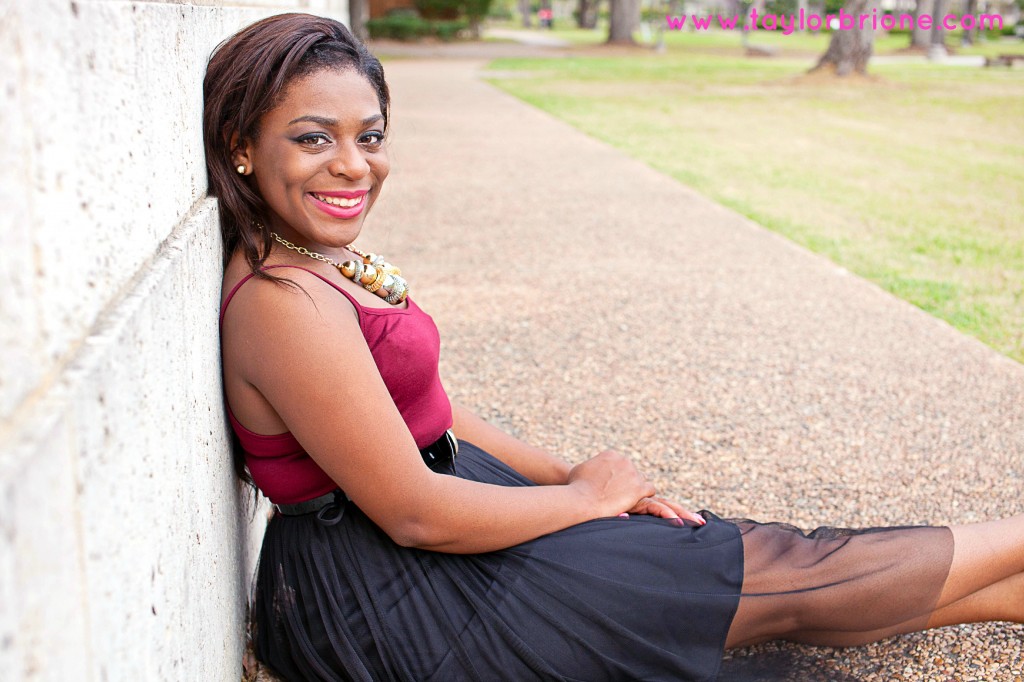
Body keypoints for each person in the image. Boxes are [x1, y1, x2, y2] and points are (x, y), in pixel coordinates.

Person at [205, 13, 1024, 681]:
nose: (354, 166)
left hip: (440, 519)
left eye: (371, 136)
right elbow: (414, 513)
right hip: (389, 590)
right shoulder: (284, 305)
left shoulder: (316, 255)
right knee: (755, 575)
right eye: (314, 139)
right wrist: (582, 501)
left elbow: (433, 413)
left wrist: (565, 473)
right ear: (244, 144)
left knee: (740, 567)